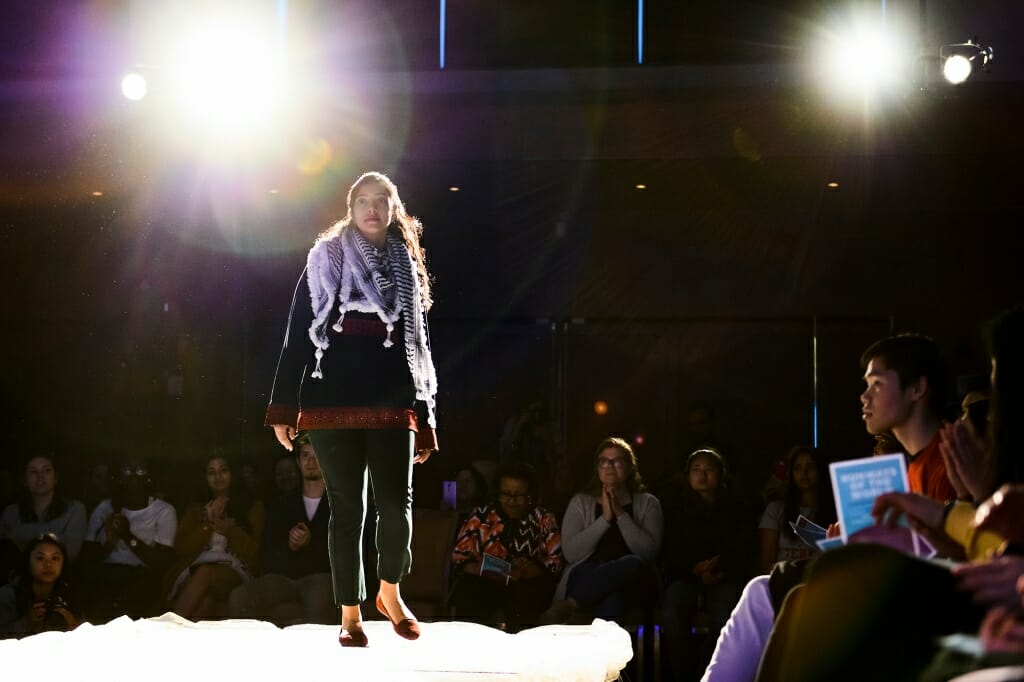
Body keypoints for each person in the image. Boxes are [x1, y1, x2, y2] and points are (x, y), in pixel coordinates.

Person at [265, 171, 439, 647]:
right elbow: (299, 332)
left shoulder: (405, 265)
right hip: (331, 401)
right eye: (362, 200)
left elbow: (417, 347)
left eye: (380, 201)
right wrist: (283, 408)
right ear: (350, 207)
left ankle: (389, 592)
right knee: (348, 510)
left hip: (391, 402)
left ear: (392, 209)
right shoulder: (324, 258)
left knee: (396, 507)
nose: (371, 209)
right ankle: (349, 615)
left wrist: (424, 416)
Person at [544, 437, 663, 625]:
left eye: (617, 461)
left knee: (632, 562)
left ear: (630, 467)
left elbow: (648, 553)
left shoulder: (648, 503)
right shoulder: (580, 502)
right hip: (587, 574)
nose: (609, 466)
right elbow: (571, 553)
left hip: (635, 580)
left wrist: (620, 514)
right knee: (611, 597)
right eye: (604, 461)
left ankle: (571, 604)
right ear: (597, 468)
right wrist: (605, 519)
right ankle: (614, 654)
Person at [662, 448, 753, 681]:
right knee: (672, 606)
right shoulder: (676, 508)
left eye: (708, 470)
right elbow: (670, 549)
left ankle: (708, 675)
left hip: (723, 577)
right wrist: (694, 570)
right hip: (687, 577)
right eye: (696, 470)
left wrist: (719, 571)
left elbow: (742, 550)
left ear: (721, 474)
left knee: (726, 614)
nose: (702, 476)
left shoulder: (737, 508)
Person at [229, 436, 334, 626]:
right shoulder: (282, 504)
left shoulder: (338, 504)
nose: (311, 462)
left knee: (320, 599)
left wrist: (310, 542)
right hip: (285, 578)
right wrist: (290, 544)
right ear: (298, 462)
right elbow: (267, 554)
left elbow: (347, 553)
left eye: (317, 455)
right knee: (239, 597)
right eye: (305, 455)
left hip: (322, 577)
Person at [450, 460, 564, 632]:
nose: (511, 501)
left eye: (518, 495)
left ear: (530, 495)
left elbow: (554, 562)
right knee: (470, 591)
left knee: (526, 597)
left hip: (527, 585)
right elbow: (459, 557)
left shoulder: (543, 518)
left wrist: (528, 570)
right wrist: (481, 568)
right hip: (484, 583)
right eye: (506, 494)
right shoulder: (481, 515)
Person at [166, 455, 265, 621]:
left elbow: (256, 554)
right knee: (206, 601)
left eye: (223, 470)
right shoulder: (195, 507)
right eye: (212, 472)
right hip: (195, 567)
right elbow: (181, 549)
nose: (218, 477)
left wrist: (230, 531)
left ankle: (168, 628)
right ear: (205, 478)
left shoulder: (253, 506)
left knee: (206, 573)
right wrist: (207, 524)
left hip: (234, 568)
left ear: (233, 473)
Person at [860, 333, 958, 502]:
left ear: (917, 388)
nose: (864, 397)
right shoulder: (913, 467)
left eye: (877, 383)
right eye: (867, 385)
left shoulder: (951, 466)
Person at [80, 458, 177, 622]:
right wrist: (110, 541)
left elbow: (161, 563)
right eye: (127, 470)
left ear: (148, 476)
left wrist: (127, 536)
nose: (133, 475)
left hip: (142, 579)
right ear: (119, 477)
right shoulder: (104, 508)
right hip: (107, 576)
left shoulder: (164, 510)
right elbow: (88, 560)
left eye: (139, 470)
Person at [0, 454, 87, 583]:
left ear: (55, 477)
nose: (40, 477)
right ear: (24, 480)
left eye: (46, 470)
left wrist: (19, 543)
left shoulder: (75, 509)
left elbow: (69, 555)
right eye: (33, 472)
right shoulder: (10, 513)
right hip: (17, 582)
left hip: (60, 583)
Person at [758, 447, 835, 574]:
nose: (804, 473)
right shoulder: (776, 509)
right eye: (798, 468)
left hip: (819, 580)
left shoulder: (834, 510)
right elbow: (766, 563)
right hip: (784, 579)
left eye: (810, 467)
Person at [0, 533, 78, 637]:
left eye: (55, 558)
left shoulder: (70, 596)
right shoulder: (8, 595)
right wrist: (27, 621)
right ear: (28, 562)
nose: (48, 565)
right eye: (40, 558)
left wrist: (74, 628)